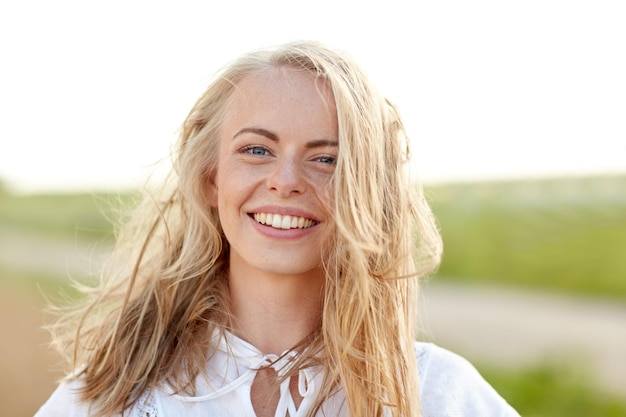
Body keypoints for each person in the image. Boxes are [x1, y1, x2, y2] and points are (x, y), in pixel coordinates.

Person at [35, 41, 519, 417]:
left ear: (366, 193)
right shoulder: (110, 396)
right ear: (211, 179)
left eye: (327, 159)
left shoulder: (438, 393)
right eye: (257, 150)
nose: (286, 182)